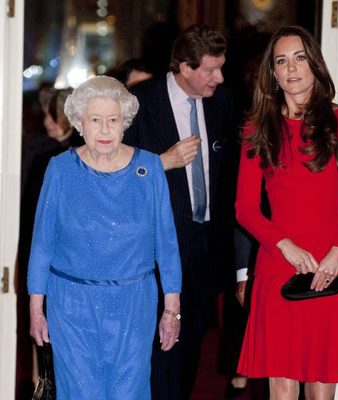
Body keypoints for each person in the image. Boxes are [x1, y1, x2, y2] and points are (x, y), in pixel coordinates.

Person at [235, 26, 338, 400]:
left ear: (314, 64)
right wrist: (284, 246)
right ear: (273, 73)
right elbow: (245, 208)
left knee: (320, 383)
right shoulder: (257, 128)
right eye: (282, 61)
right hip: (279, 261)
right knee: (280, 386)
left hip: (333, 262)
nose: (292, 68)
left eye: (299, 58)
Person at [27, 76, 182, 399]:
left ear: (124, 122)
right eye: (95, 120)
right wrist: (36, 308)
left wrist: (172, 310)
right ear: (80, 123)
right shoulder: (60, 169)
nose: (105, 129)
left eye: (113, 120)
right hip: (71, 304)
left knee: (130, 389)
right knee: (80, 392)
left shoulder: (150, 168)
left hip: (133, 303)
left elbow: (166, 245)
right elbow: (42, 244)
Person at [124, 23, 235, 400]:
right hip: (153, 250)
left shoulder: (223, 102)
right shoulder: (138, 101)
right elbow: (112, 176)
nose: (219, 77)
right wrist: (163, 162)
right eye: (210, 69)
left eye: (221, 67)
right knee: (157, 350)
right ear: (185, 67)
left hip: (205, 250)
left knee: (190, 351)